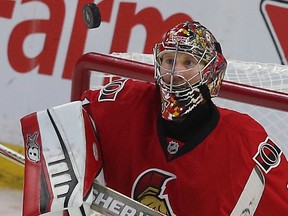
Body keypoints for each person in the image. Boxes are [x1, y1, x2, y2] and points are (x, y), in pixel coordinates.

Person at [82, 21, 288, 215]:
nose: (175, 72)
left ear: (212, 72)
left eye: (188, 62)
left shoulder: (245, 141)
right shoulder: (123, 103)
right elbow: (63, 136)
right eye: (170, 60)